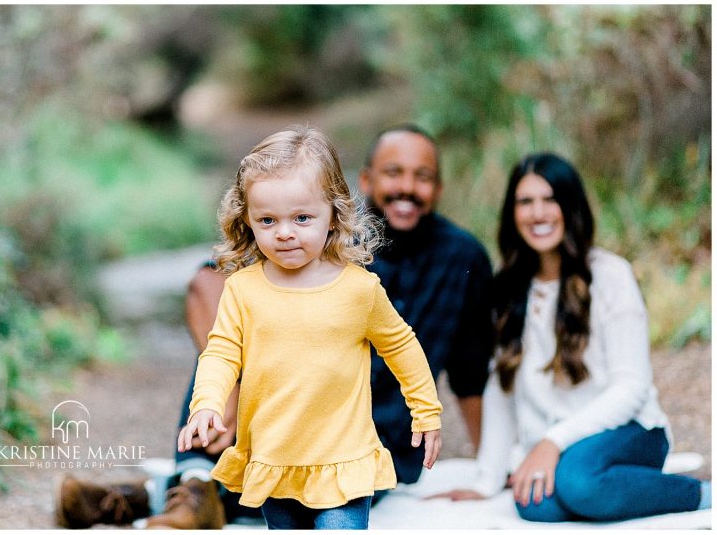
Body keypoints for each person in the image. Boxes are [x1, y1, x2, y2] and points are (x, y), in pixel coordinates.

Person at [55, 124, 493, 529]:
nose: (406, 187)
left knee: (316, 495)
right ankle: (190, 484)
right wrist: (221, 396)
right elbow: (206, 287)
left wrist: (487, 469)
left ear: (437, 187)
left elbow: (468, 371)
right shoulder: (294, 218)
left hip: (361, 434)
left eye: (423, 176)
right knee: (228, 349)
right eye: (393, 172)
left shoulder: (453, 256)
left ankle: (167, 493)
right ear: (365, 181)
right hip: (276, 417)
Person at [180, 124, 443, 529]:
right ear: (247, 219)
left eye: (302, 218)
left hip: (343, 462)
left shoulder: (359, 289)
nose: (284, 233)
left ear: (334, 216)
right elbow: (221, 352)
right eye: (267, 220)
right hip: (275, 460)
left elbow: (401, 346)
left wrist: (426, 411)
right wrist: (207, 404)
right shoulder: (244, 290)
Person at [431, 152, 711, 521]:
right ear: (512, 214)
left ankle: (699, 494)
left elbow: (632, 388)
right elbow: (502, 387)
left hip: (631, 431)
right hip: (564, 448)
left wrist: (553, 442)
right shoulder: (507, 289)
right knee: (533, 504)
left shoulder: (610, 275)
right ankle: (610, 489)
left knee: (577, 481)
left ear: (571, 206)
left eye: (551, 200)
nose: (538, 213)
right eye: (525, 202)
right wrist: (487, 479)